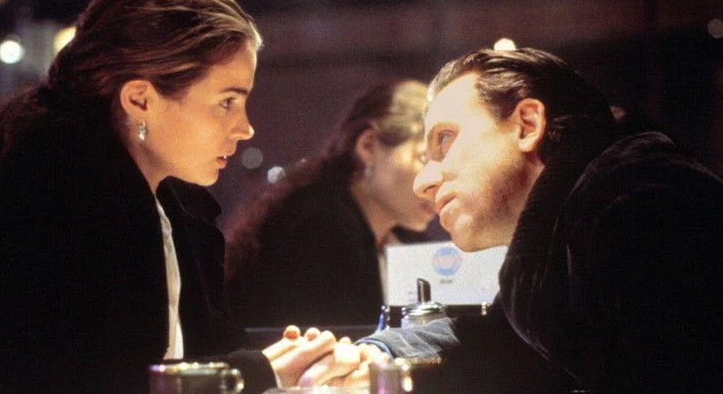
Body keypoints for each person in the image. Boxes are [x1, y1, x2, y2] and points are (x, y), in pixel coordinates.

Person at [0, 0, 337, 393]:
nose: (245, 128)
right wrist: (255, 372)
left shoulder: (175, 200)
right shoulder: (50, 203)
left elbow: (197, 354)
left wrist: (288, 363)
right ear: (140, 99)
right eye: (227, 102)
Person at [291, 47, 723, 392]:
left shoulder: (641, 206)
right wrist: (379, 355)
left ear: (527, 125)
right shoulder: (572, 226)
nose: (424, 181)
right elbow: (500, 343)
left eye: (445, 139)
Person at [225, 79, 437, 327]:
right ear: (368, 147)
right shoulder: (316, 224)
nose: (435, 179)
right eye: (425, 159)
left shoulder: (404, 238)